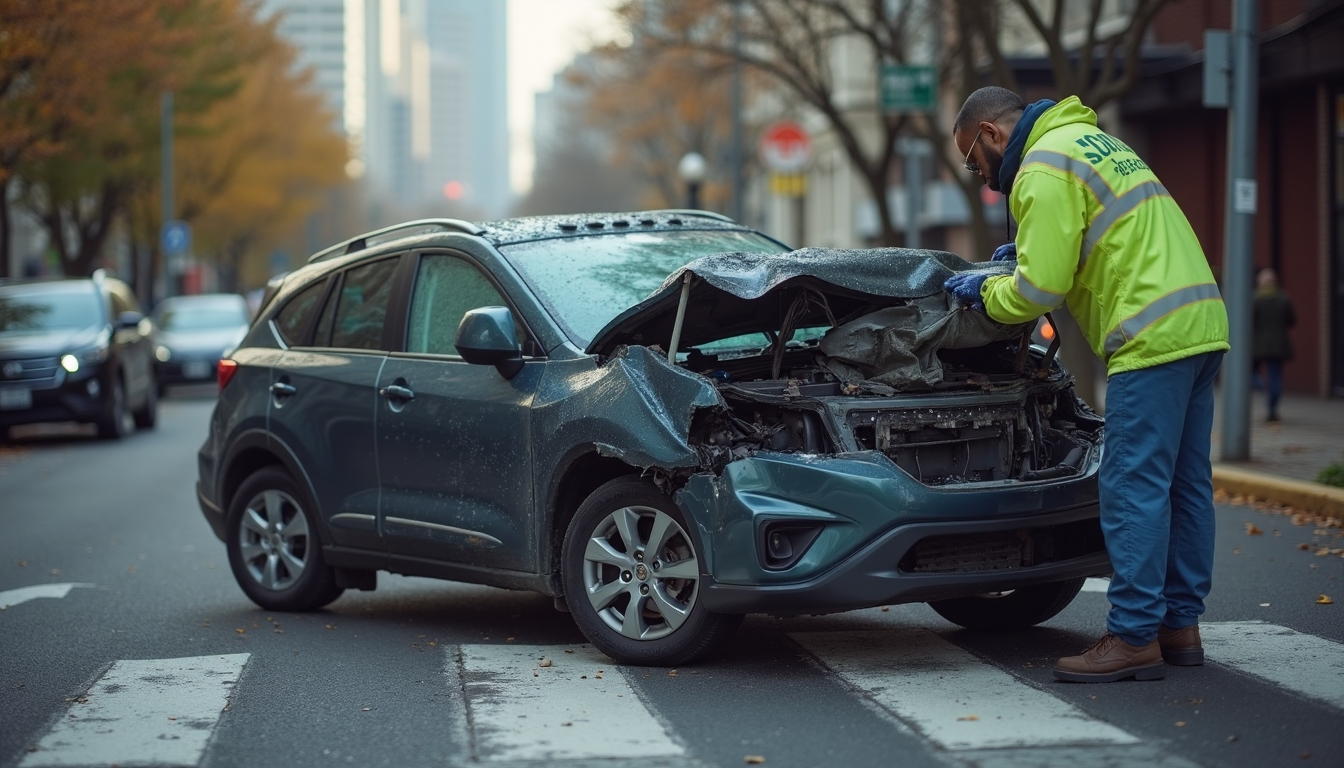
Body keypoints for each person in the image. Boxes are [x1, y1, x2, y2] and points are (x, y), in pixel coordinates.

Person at [944, 87, 1230, 683]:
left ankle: (1132, 637)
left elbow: (1038, 291)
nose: (984, 178)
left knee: (1131, 486)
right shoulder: (1091, 143)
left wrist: (989, 291)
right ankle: (1178, 627)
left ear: (992, 135)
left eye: (974, 161)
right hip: (1199, 324)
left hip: (1149, 335)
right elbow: (1095, 241)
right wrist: (1026, 252)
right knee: (1183, 485)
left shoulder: (1042, 167)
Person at [1252, 267, 1295, 422]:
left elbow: (1250, 322)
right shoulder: (1284, 298)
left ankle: (1262, 386)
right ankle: (1272, 409)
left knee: (1251, 371)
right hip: (1279, 344)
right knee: (1275, 376)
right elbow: (1292, 320)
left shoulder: (1254, 299)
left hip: (1259, 344)